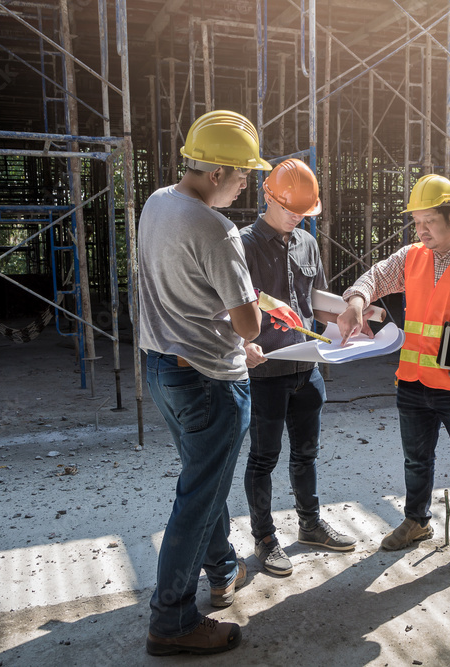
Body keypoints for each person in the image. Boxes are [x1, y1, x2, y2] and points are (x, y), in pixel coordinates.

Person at [138, 110, 276, 656]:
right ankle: (170, 620)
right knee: (198, 498)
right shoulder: (215, 229)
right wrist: (252, 317)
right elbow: (249, 324)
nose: (247, 185)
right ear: (216, 172)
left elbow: (184, 293)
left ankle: (221, 568)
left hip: (163, 369)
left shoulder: (156, 202)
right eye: (243, 175)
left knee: (204, 479)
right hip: (209, 382)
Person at [336, 174, 450, 578]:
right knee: (416, 461)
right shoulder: (411, 256)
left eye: (429, 223)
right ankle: (417, 521)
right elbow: (374, 277)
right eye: (416, 223)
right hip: (414, 383)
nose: (421, 231)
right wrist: (356, 301)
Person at [240, 158, 357, 578]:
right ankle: (265, 538)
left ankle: (309, 525)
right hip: (265, 373)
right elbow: (224, 310)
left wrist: (353, 317)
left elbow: (314, 302)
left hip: (307, 371)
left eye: (303, 212)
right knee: (263, 459)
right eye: (291, 209)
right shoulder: (243, 245)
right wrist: (242, 344)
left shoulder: (307, 243)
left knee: (306, 454)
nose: (296, 217)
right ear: (268, 196)